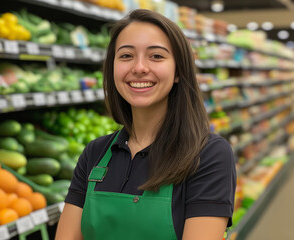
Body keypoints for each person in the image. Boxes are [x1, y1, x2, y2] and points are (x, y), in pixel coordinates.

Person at [55, 8, 236, 240]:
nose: (139, 67)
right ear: (112, 68)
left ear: (178, 71)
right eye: (126, 56)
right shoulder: (95, 153)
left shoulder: (208, 155)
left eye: (156, 56)